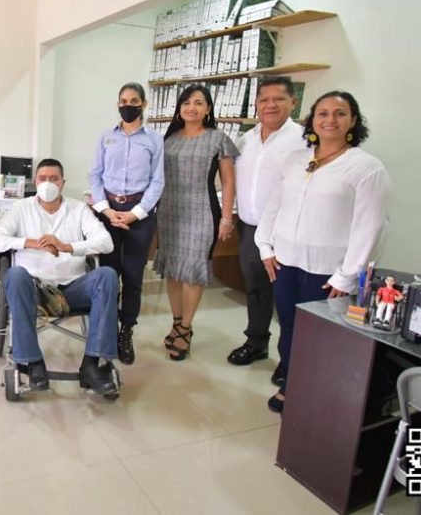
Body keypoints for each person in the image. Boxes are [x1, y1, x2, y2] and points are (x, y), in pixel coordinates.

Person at [256, 90, 391, 413]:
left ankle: (315, 391)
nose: (330, 119)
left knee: (321, 336)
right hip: (286, 262)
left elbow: (371, 227)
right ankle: (291, 382)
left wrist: (347, 276)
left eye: (339, 113)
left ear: (353, 121)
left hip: (329, 271)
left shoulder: (365, 167)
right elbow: (275, 205)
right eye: (323, 113)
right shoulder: (297, 160)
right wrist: (265, 245)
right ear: (312, 120)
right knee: (289, 325)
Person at [0, 159, 119, 394]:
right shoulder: (20, 209)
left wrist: (68, 246)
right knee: (15, 275)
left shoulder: (78, 209)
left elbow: (106, 243)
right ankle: (33, 362)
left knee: (106, 275)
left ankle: (91, 364)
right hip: (34, 290)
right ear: (35, 182)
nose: (48, 183)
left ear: (63, 183)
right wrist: (30, 242)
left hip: (74, 286)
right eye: (43, 179)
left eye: (54, 179)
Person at [227, 77, 306, 389]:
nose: (270, 105)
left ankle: (290, 359)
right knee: (256, 290)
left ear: (292, 103)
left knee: (286, 295)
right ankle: (256, 342)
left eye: (278, 99)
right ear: (256, 104)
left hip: (285, 231)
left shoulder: (302, 140)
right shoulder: (246, 140)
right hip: (250, 228)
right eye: (264, 99)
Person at [153, 84, 238, 361]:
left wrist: (226, 218)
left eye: (199, 103)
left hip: (202, 211)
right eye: (187, 102)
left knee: (193, 269)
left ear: (208, 109)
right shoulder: (169, 138)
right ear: (179, 108)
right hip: (169, 211)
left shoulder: (218, 139)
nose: (192, 107)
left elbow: (227, 181)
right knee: (175, 269)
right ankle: (177, 322)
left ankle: (186, 329)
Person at [88, 82, 164, 365]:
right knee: (107, 275)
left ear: (143, 104)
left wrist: (135, 214)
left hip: (139, 214)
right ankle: (105, 332)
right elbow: (94, 175)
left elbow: (158, 181)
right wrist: (107, 211)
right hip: (107, 212)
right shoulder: (106, 137)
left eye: (133, 100)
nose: (127, 105)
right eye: (122, 100)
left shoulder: (154, 140)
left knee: (132, 277)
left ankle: (126, 331)